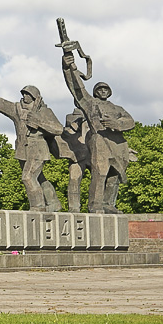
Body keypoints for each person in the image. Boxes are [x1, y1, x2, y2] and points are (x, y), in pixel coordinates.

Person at [0, 84, 64, 212]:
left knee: (28, 177)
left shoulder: (44, 111)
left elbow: (59, 129)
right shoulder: (17, 109)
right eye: (24, 93)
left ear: (35, 97)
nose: (25, 96)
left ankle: (38, 206)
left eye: (28, 94)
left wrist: (39, 122)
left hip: (38, 147)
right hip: (23, 148)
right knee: (39, 178)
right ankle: (53, 202)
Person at [60, 49, 135, 213]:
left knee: (115, 175)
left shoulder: (117, 108)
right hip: (99, 140)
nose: (102, 91)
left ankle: (109, 204)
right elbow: (76, 89)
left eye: (105, 89)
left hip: (118, 143)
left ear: (109, 92)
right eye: (99, 89)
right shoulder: (90, 103)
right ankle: (96, 205)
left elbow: (130, 121)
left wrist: (116, 123)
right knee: (100, 172)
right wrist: (67, 67)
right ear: (95, 92)